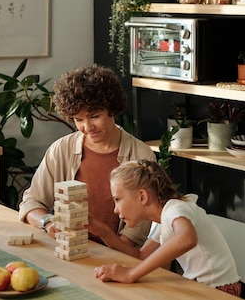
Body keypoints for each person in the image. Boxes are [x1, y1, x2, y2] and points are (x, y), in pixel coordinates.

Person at [18, 65, 156, 254]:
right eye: (78, 119)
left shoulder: (142, 156)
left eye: (94, 116)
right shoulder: (61, 149)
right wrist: (47, 222)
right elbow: (31, 203)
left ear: (112, 110)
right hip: (69, 252)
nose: (87, 127)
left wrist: (105, 251)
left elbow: (135, 234)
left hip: (118, 255)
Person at [94, 159, 242, 297]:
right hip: (204, 287)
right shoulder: (164, 217)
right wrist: (103, 232)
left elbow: (187, 239)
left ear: (142, 196)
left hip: (219, 291)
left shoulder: (174, 209)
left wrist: (130, 274)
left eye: (117, 199)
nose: (115, 209)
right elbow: (142, 256)